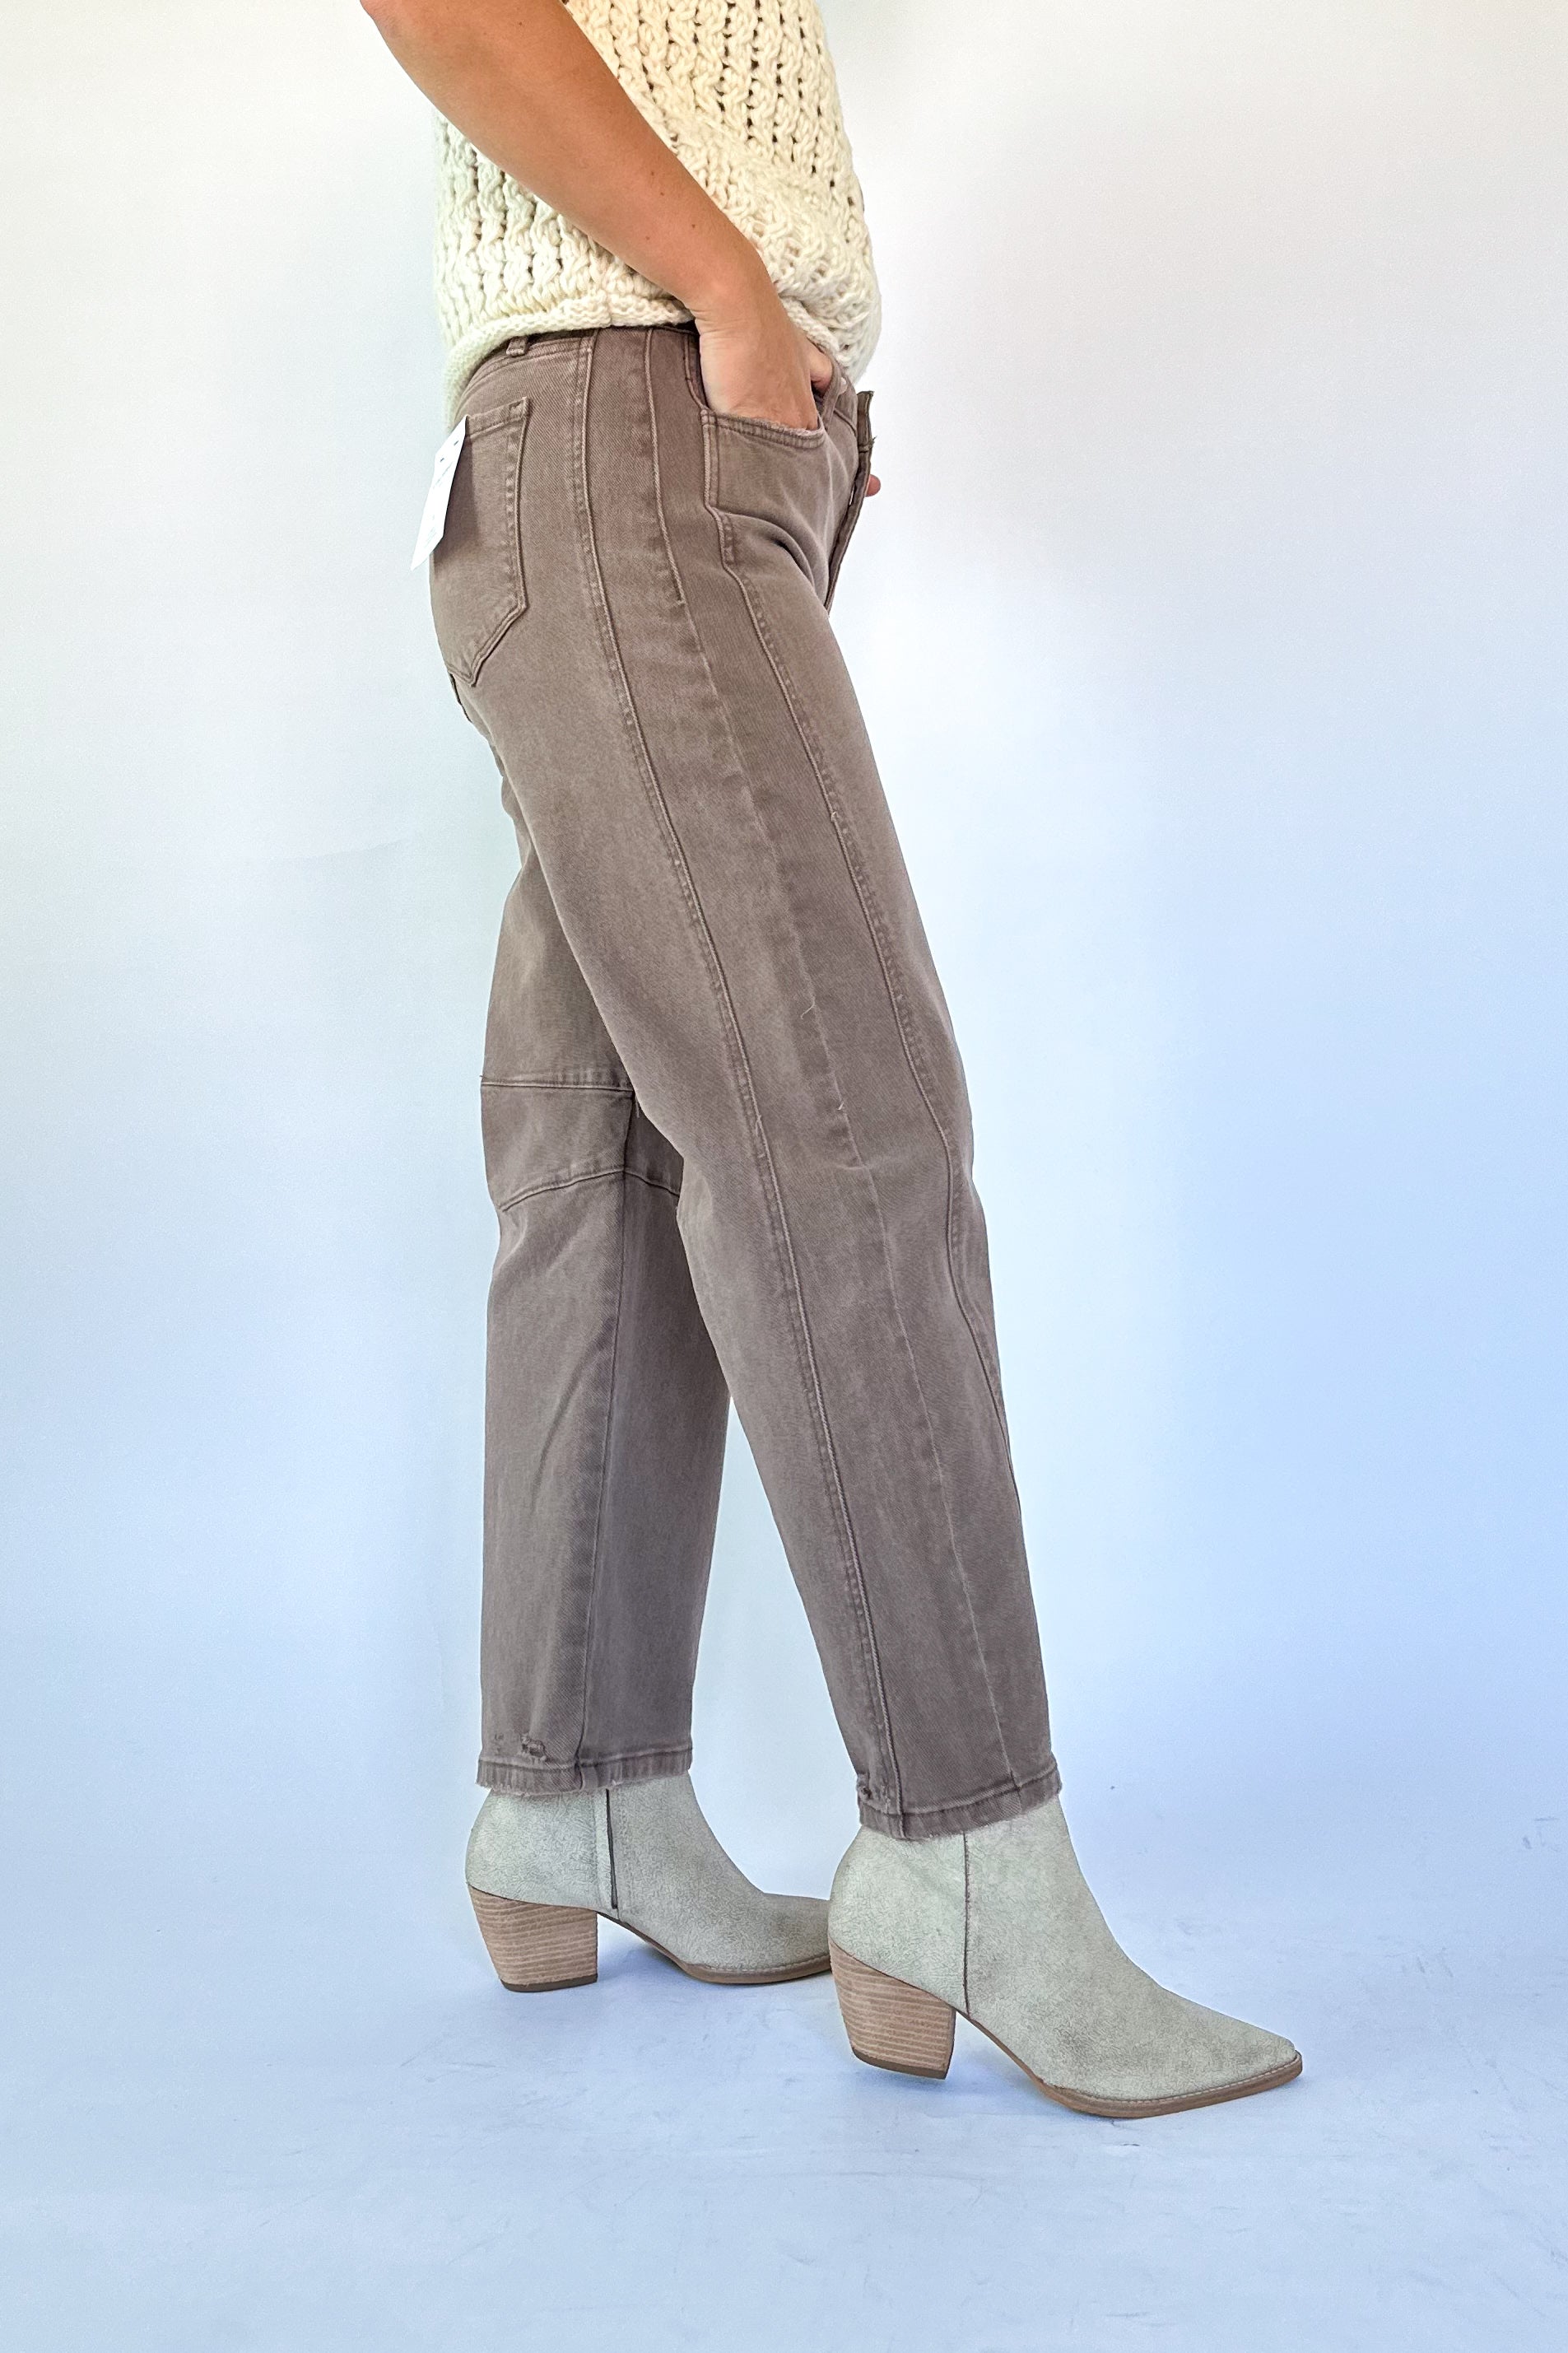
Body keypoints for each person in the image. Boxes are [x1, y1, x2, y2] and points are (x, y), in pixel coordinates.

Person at [362, 0, 1300, 2116]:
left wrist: (788, 376)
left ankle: (578, 1800)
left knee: (615, 1156)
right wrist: (721, 287)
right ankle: (964, 1856)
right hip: (629, 422)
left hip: (656, 451)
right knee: (843, 1124)